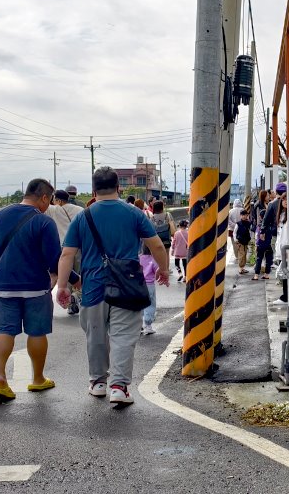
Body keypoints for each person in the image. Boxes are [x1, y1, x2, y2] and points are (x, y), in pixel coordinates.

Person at [56, 166, 170, 406]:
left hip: (93, 287)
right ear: (119, 188)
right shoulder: (134, 214)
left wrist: (63, 286)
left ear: (94, 190)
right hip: (126, 286)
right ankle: (119, 387)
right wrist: (164, 269)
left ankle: (98, 383)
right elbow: (157, 246)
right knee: (123, 337)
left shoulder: (83, 216)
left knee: (95, 336)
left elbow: (67, 254)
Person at [0, 178, 61, 402]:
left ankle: (0, 379)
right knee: (36, 332)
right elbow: (55, 259)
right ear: (44, 197)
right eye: (49, 200)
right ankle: (37, 379)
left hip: (3, 286)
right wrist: (70, 278)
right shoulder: (44, 222)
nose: (49, 205)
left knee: (4, 331)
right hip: (35, 287)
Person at [45, 189, 85, 315]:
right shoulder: (80, 210)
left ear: (59, 200)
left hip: (62, 248)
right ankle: (74, 297)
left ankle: (68, 302)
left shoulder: (53, 209)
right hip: (78, 248)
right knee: (78, 275)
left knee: (65, 274)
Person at [254, 183, 286, 280]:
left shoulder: (272, 204)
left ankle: (281, 277)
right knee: (287, 256)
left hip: (275, 233)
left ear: (276, 192)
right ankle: (285, 277)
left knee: (278, 255)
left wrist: (262, 231)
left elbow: (266, 219)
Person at [140, 244, 159, 335]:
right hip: (149, 285)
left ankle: (139, 326)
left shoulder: (138, 258)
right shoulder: (152, 259)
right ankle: (148, 326)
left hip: (139, 285)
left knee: (139, 304)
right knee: (150, 304)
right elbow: (157, 271)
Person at [229, 199, 248, 274]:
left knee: (235, 245)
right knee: (243, 247)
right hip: (242, 232)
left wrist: (234, 225)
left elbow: (228, 220)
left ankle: (237, 257)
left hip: (232, 230)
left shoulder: (230, 211)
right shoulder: (243, 210)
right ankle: (241, 262)